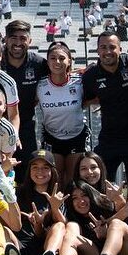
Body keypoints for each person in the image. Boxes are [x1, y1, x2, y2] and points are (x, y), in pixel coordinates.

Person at [82, 31, 128, 183]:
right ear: (97, 50)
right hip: (109, 138)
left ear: (120, 49)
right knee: (101, 184)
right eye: (103, 47)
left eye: (112, 47)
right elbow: (87, 100)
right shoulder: (91, 76)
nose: (108, 51)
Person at [0, 20, 49, 176]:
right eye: (13, 37)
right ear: (6, 39)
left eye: (23, 38)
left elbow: (59, 78)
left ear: (30, 41)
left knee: (26, 172)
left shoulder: (39, 63)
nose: (18, 42)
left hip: (26, 126)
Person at [37, 42, 87, 185]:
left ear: (69, 61)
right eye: (52, 58)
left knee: (73, 181)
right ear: (47, 61)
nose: (57, 62)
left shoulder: (80, 81)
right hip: (52, 136)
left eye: (62, 58)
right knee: (55, 181)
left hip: (77, 135)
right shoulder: (40, 85)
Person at [14, 149, 68, 255]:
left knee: (59, 226)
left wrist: (54, 208)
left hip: (45, 245)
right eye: (35, 167)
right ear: (29, 171)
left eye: (45, 168)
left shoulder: (57, 196)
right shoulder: (18, 193)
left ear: (52, 171)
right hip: (21, 245)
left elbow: (63, 225)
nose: (40, 171)